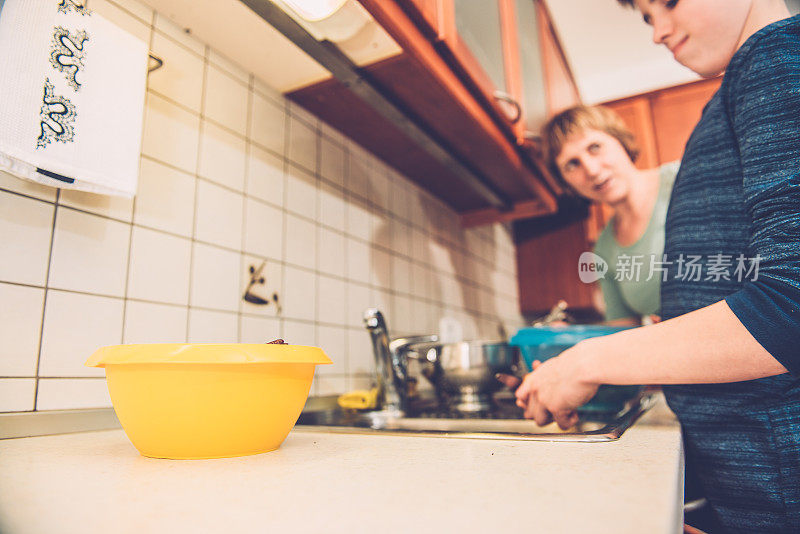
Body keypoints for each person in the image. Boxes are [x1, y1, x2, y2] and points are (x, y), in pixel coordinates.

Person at [505, 1, 800, 531]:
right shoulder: (739, 90)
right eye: (645, 16)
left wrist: (584, 362)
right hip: (750, 468)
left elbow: (791, 306)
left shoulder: (777, 58)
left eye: (668, 1)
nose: (659, 31)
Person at [542, 105, 679, 324]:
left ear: (620, 140)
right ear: (566, 183)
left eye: (594, 147)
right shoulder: (604, 248)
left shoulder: (683, 179)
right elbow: (622, 329)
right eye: (572, 164)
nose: (592, 170)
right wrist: (571, 338)